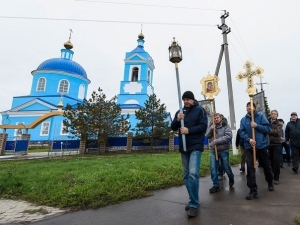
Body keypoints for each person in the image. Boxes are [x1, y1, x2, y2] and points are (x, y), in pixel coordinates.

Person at [171, 91, 208, 217]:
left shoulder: (200, 110)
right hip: (184, 147)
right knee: (186, 175)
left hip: (195, 146)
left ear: (193, 99)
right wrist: (177, 119)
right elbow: (173, 127)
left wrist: (189, 130)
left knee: (193, 174)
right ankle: (192, 199)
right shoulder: (180, 111)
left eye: (188, 99)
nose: (186, 101)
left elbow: (203, 126)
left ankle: (194, 203)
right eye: (184, 99)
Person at [239, 102, 273, 200]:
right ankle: (253, 190)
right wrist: (249, 139)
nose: (248, 107)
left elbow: (267, 129)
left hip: (261, 146)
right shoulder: (243, 120)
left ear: (254, 107)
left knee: (266, 166)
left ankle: (270, 181)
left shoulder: (261, 116)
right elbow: (242, 132)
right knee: (250, 168)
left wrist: (257, 126)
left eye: (250, 106)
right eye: (247, 106)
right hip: (249, 147)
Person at [206, 113, 234, 193]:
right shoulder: (211, 126)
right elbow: (207, 136)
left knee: (226, 167)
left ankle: (231, 177)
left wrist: (217, 141)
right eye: (214, 118)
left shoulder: (225, 125)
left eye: (217, 117)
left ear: (221, 118)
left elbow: (228, 137)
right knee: (213, 167)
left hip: (223, 150)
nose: (216, 119)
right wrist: (211, 129)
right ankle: (216, 185)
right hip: (213, 151)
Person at [268, 110, 283, 185]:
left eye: (275, 114)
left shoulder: (279, 123)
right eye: (272, 114)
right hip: (268, 144)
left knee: (276, 161)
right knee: (270, 161)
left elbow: (277, 132)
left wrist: (267, 130)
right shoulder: (267, 122)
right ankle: (271, 175)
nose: (273, 115)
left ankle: (276, 177)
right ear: (270, 115)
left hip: (276, 144)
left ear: (277, 115)